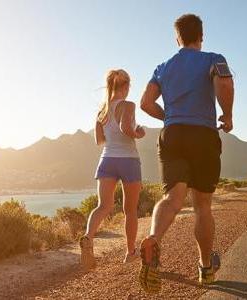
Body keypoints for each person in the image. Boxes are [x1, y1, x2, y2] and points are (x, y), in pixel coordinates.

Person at [137, 14, 234, 292]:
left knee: (171, 198)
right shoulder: (213, 59)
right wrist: (227, 116)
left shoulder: (163, 67)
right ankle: (205, 268)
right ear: (201, 36)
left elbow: (145, 103)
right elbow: (225, 83)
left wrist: (170, 116)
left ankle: (153, 239)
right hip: (203, 134)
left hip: (173, 134)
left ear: (177, 38)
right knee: (202, 205)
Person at [79, 69, 146, 270]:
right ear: (125, 87)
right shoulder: (128, 105)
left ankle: (88, 237)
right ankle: (130, 252)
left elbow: (100, 140)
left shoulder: (102, 111)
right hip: (128, 160)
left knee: (103, 206)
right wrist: (138, 132)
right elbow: (127, 129)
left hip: (107, 159)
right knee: (130, 210)